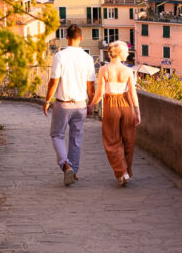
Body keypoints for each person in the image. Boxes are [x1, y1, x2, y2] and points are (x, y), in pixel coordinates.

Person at [43, 24, 96, 186]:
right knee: (76, 139)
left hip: (63, 104)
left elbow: (54, 81)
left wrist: (47, 100)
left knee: (57, 135)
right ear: (80, 38)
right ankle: (73, 170)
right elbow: (91, 86)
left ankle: (66, 165)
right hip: (80, 104)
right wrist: (91, 104)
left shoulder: (60, 56)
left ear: (66, 37)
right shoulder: (87, 58)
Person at [90, 40, 140, 187]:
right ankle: (126, 171)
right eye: (126, 51)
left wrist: (91, 105)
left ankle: (121, 171)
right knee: (128, 141)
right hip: (126, 105)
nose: (128, 53)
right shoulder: (128, 71)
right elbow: (133, 93)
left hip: (111, 105)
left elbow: (100, 93)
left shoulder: (105, 69)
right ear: (119, 53)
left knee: (112, 140)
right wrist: (137, 112)